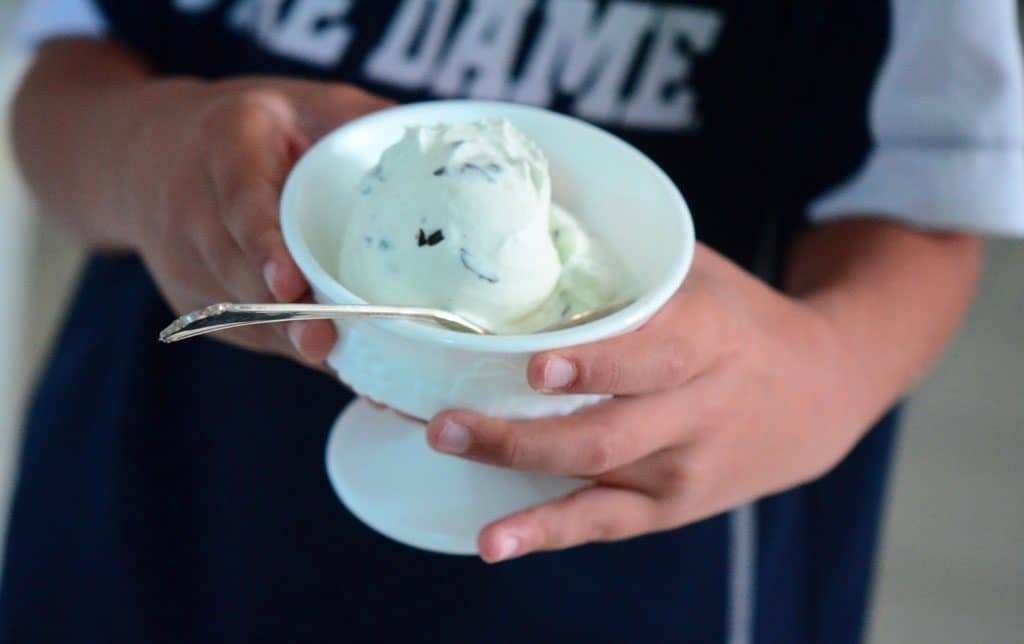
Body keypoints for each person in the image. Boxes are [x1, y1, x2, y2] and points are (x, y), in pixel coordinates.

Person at [3, 1, 1022, 642]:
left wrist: (828, 369)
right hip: (157, 533)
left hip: (640, 565)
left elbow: (931, 192)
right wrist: (142, 154)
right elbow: (63, 75)